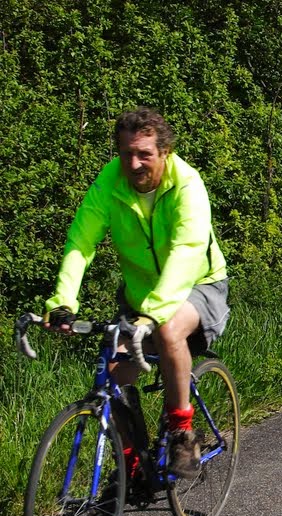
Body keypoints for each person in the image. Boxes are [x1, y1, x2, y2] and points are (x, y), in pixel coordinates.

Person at [43, 107, 230, 479]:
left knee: (168, 329)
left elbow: (187, 250)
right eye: (126, 153)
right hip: (140, 296)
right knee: (112, 368)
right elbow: (81, 241)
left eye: (144, 154)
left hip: (199, 284)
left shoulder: (187, 184)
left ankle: (182, 434)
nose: (134, 163)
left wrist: (154, 313)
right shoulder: (110, 182)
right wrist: (63, 300)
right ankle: (132, 468)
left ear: (164, 152)